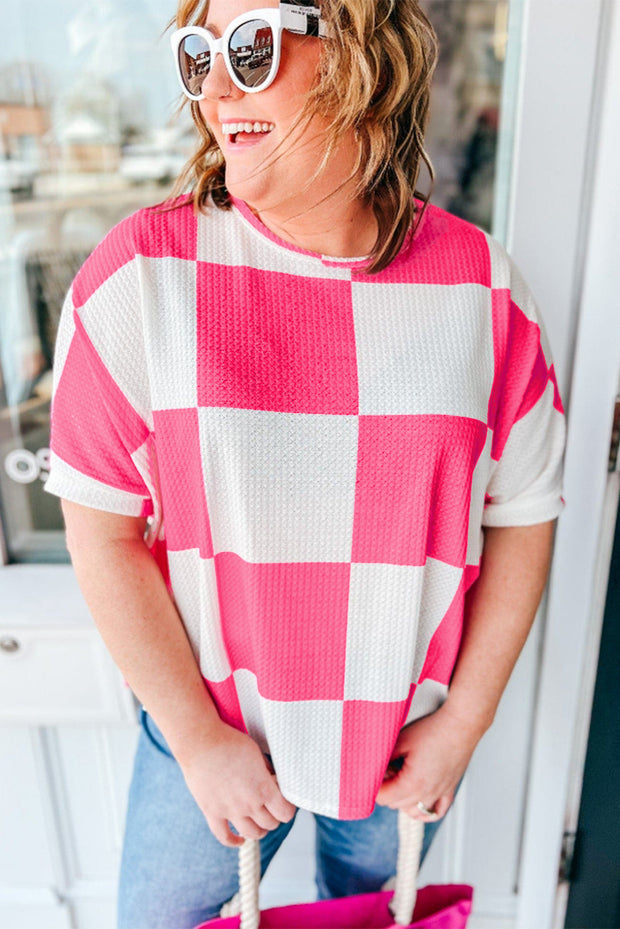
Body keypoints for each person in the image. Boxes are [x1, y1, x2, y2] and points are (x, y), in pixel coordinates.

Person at [43, 1, 567, 927]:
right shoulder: (141, 279)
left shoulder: (482, 287)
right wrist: (200, 739)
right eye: (197, 54)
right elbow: (102, 531)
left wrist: (465, 722)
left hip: (402, 736)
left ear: (362, 54)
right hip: (207, 727)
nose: (212, 87)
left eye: (250, 50)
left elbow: (523, 509)